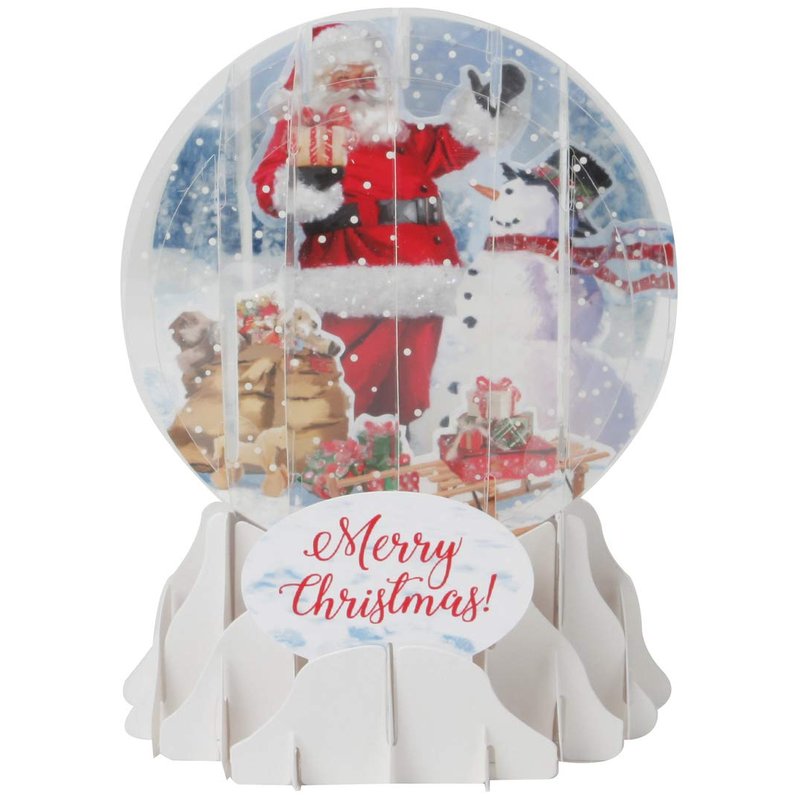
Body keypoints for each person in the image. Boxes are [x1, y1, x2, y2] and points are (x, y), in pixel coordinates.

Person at [252, 22, 527, 425]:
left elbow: (446, 148)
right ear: (318, 83)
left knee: (410, 384)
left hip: (424, 272)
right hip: (351, 272)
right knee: (349, 376)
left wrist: (484, 113)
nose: (358, 87)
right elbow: (269, 186)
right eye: (344, 77)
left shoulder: (398, 134)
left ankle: (397, 440)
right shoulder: (306, 130)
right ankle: (338, 440)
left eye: (367, 76)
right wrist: (304, 184)